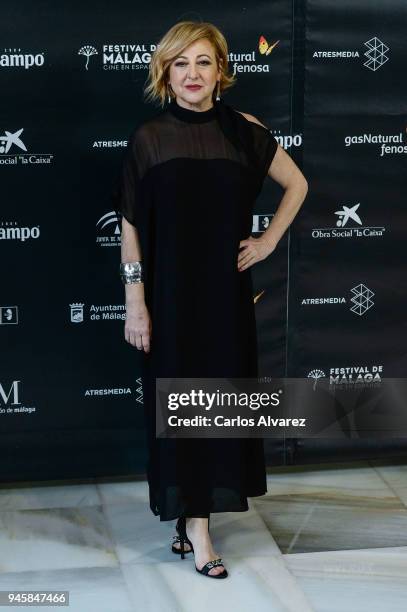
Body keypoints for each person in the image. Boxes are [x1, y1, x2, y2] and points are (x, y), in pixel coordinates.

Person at [113, 20, 308, 579]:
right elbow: (131, 227)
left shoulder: (244, 131)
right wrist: (135, 301)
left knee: (216, 407)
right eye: (181, 63)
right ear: (165, 72)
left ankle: (196, 519)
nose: (192, 74)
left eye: (203, 62)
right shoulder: (150, 137)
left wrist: (268, 240)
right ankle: (193, 521)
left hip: (225, 298)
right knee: (178, 406)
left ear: (221, 69)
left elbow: (297, 185)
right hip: (169, 299)